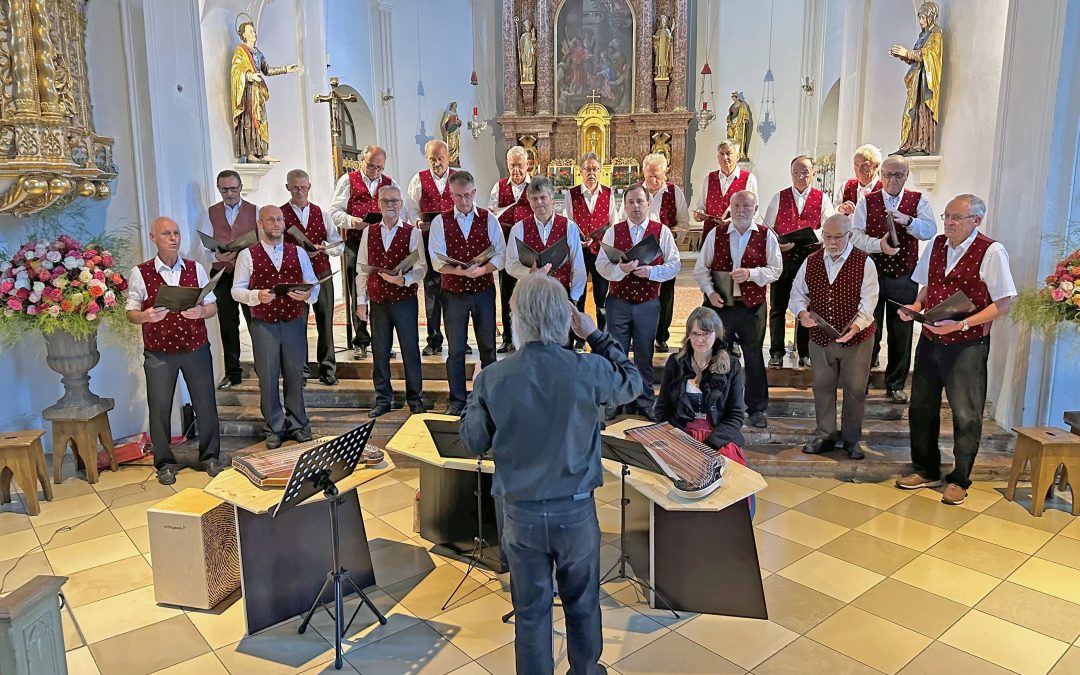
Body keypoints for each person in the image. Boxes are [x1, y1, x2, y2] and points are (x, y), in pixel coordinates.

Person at [460, 274, 642, 675]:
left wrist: (476, 394)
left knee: (530, 612)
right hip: (574, 514)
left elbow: (473, 442)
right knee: (581, 604)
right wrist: (596, 334)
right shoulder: (587, 368)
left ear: (517, 319)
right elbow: (633, 382)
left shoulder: (493, 377)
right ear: (565, 318)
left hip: (520, 515)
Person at [896, 194, 1015, 506]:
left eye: (957, 218)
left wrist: (961, 325)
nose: (949, 222)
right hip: (930, 339)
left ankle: (960, 478)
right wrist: (916, 306)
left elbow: (1003, 303)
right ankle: (926, 469)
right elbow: (926, 286)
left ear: (976, 220)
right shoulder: (936, 244)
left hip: (967, 345)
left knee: (966, 413)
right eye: (946, 216)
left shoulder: (991, 251)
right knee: (921, 406)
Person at [126, 217, 223, 486]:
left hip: (195, 347)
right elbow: (131, 313)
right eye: (166, 233)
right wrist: (145, 316)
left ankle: (211, 457)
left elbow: (213, 306)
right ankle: (164, 462)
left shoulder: (196, 269)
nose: (173, 238)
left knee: (206, 403)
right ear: (153, 238)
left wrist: (202, 311)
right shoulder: (140, 272)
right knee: (160, 407)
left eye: (176, 233)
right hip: (159, 351)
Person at [789, 214, 879, 460]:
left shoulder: (864, 262)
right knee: (822, 387)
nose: (831, 242)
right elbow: (797, 295)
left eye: (837, 237)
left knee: (855, 389)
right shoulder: (812, 261)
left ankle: (851, 439)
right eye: (826, 236)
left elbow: (870, 301)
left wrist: (857, 326)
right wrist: (802, 314)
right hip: (820, 338)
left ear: (849, 236)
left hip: (857, 338)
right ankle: (825, 434)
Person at [232, 205, 320, 448]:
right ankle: (274, 426)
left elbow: (313, 283)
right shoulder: (247, 255)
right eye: (271, 220)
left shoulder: (298, 252)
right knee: (268, 376)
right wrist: (256, 295)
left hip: (293, 320)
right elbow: (236, 290)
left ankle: (299, 424)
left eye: (280, 219)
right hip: (264, 324)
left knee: (294, 373)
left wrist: (307, 296)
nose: (277, 224)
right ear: (260, 224)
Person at [851, 155, 937, 399]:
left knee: (902, 331)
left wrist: (908, 221)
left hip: (905, 275)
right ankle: (862, 380)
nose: (892, 180)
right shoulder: (867, 201)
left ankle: (896, 384)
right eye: (887, 175)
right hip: (872, 274)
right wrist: (878, 244)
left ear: (906, 176)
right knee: (868, 328)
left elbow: (930, 230)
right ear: (880, 176)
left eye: (898, 175)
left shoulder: (917, 200)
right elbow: (855, 236)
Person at [693, 190, 781, 428]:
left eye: (747, 206)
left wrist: (752, 274)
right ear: (730, 207)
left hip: (752, 308)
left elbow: (776, 269)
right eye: (737, 206)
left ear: (756, 208)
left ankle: (756, 409)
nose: (741, 210)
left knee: (753, 358)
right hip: (721, 307)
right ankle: (716, 405)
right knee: (717, 357)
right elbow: (701, 268)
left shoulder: (766, 235)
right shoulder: (716, 233)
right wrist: (710, 292)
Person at [596, 183, 682, 418]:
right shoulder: (614, 231)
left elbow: (675, 265)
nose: (635, 206)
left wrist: (651, 272)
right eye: (631, 202)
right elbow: (601, 265)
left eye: (640, 201)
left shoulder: (661, 231)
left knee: (644, 354)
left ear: (649, 203)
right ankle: (616, 400)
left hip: (647, 303)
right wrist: (621, 269)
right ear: (624, 205)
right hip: (618, 301)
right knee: (617, 353)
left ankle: (645, 401)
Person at [430, 171, 507, 416]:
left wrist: (483, 269)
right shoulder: (440, 222)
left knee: (488, 347)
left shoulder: (488, 219)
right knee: (455, 350)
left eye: (467, 195)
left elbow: (501, 255)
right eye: (457, 196)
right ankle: (457, 400)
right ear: (450, 195)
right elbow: (435, 260)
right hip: (453, 294)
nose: (463, 201)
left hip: (483, 291)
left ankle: (489, 398)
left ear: (474, 193)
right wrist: (461, 272)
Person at [355, 186, 428, 418]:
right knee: (380, 351)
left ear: (401, 205)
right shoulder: (369, 233)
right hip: (378, 301)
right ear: (378, 203)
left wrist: (403, 279)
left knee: (410, 349)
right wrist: (360, 301)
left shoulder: (411, 232)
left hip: (404, 300)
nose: (390, 205)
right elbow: (361, 270)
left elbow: (421, 268)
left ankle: (415, 398)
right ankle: (383, 399)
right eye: (385, 200)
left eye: (394, 201)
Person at [763, 156, 836, 369]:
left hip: (811, 261)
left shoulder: (822, 199)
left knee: (808, 307)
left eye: (805, 172)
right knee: (778, 307)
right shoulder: (779, 197)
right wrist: (779, 244)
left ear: (813, 173)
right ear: (791, 173)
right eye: (796, 172)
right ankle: (776, 352)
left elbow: (828, 227)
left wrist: (813, 235)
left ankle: (804, 352)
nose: (800, 176)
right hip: (784, 260)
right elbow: (767, 229)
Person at [330, 144, 397, 359]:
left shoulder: (389, 183)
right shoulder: (348, 181)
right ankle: (360, 340)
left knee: (383, 289)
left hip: (382, 244)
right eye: (371, 166)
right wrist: (352, 221)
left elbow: (398, 210)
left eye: (379, 167)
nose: (375, 171)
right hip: (356, 241)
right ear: (362, 162)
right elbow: (334, 212)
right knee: (357, 289)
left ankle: (383, 340)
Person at [654, 307, 746, 448]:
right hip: (680, 434)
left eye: (706, 334)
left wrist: (711, 444)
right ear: (688, 334)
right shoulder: (675, 362)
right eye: (695, 333)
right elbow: (662, 409)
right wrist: (675, 436)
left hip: (717, 438)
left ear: (717, 335)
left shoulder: (732, 366)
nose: (700, 340)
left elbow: (736, 415)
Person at [281, 169, 341, 386]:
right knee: (297, 325)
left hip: (321, 273)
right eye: (295, 187)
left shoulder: (321, 213)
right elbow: (274, 247)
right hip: (294, 277)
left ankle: (327, 369)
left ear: (309, 187)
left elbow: (338, 245)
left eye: (304, 187)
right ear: (287, 187)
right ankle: (301, 370)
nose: (300, 191)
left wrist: (324, 247)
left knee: (325, 322)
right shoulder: (280, 215)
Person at [201, 169, 257, 390]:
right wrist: (216, 255)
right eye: (225, 189)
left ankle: (264, 367)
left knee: (255, 321)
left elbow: (261, 242)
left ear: (241, 187)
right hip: (222, 274)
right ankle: (233, 372)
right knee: (228, 324)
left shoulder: (255, 210)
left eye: (234, 189)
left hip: (248, 275)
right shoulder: (210, 213)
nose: (230, 193)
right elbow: (201, 244)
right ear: (219, 189)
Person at [505, 177, 586, 326]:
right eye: (534, 198)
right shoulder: (518, 228)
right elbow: (510, 264)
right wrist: (530, 272)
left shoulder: (569, 226)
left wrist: (574, 297)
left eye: (543, 197)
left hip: (561, 294)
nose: (539, 202)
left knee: (562, 344)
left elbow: (578, 265)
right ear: (529, 200)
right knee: (534, 344)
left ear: (552, 198)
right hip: (531, 296)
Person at [406, 140, 457, 356]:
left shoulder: (458, 177)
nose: (436, 163)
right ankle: (434, 340)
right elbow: (410, 208)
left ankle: (458, 341)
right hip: (428, 242)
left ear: (448, 157)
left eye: (440, 158)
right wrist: (418, 223)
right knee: (432, 291)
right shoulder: (418, 179)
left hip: (454, 244)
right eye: (432, 159)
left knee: (455, 291)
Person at [564, 152, 619, 342]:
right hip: (579, 252)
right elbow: (568, 224)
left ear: (601, 171)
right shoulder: (571, 194)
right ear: (580, 171)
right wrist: (577, 241)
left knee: (601, 297)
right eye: (587, 169)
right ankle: (578, 338)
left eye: (595, 169)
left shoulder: (609, 193)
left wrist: (604, 244)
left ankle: (601, 337)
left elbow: (614, 225)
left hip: (601, 253)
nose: (591, 173)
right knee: (577, 295)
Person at [640, 153, 689, 353]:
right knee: (642, 295)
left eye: (657, 176)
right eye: (650, 175)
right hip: (642, 253)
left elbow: (683, 222)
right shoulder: (637, 191)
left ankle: (661, 336)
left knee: (665, 296)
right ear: (643, 172)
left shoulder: (674, 191)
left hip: (666, 252)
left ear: (665, 173)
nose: (653, 180)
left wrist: (672, 235)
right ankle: (642, 334)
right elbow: (624, 220)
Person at [229, 20, 297, 162]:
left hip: (259, 91)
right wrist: (249, 75)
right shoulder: (240, 50)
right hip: (248, 91)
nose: (254, 33)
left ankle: (262, 151)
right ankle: (250, 153)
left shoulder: (258, 53)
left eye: (253, 31)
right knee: (249, 120)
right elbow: (236, 69)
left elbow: (267, 70)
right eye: (250, 31)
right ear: (243, 35)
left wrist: (285, 69)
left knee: (261, 120)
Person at [489, 146, 533, 353]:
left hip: (530, 249)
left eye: (520, 165)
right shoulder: (498, 187)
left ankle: (530, 338)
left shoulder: (536, 186)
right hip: (506, 248)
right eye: (512, 165)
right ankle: (507, 337)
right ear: (507, 165)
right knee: (507, 293)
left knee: (529, 293)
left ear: (527, 165)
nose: (516, 170)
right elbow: (492, 217)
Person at [891, 2, 943, 156]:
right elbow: (914, 56)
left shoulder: (936, 34)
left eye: (923, 18)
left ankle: (921, 143)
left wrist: (907, 53)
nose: (921, 22)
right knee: (910, 111)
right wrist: (902, 55)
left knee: (921, 110)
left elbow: (929, 55)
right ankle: (908, 143)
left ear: (931, 17)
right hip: (916, 80)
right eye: (920, 18)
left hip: (925, 82)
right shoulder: (922, 35)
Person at [693, 140, 759, 242]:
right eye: (721, 154)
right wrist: (699, 214)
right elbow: (701, 206)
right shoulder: (709, 178)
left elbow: (754, 212)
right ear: (717, 157)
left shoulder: (749, 178)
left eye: (728, 154)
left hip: (737, 236)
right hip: (711, 236)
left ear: (737, 157)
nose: (725, 157)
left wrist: (733, 221)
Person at [835, 144, 883, 216]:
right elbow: (832, 211)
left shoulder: (884, 189)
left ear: (876, 166)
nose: (859, 170)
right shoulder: (846, 185)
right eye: (856, 165)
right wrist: (840, 208)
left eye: (865, 165)